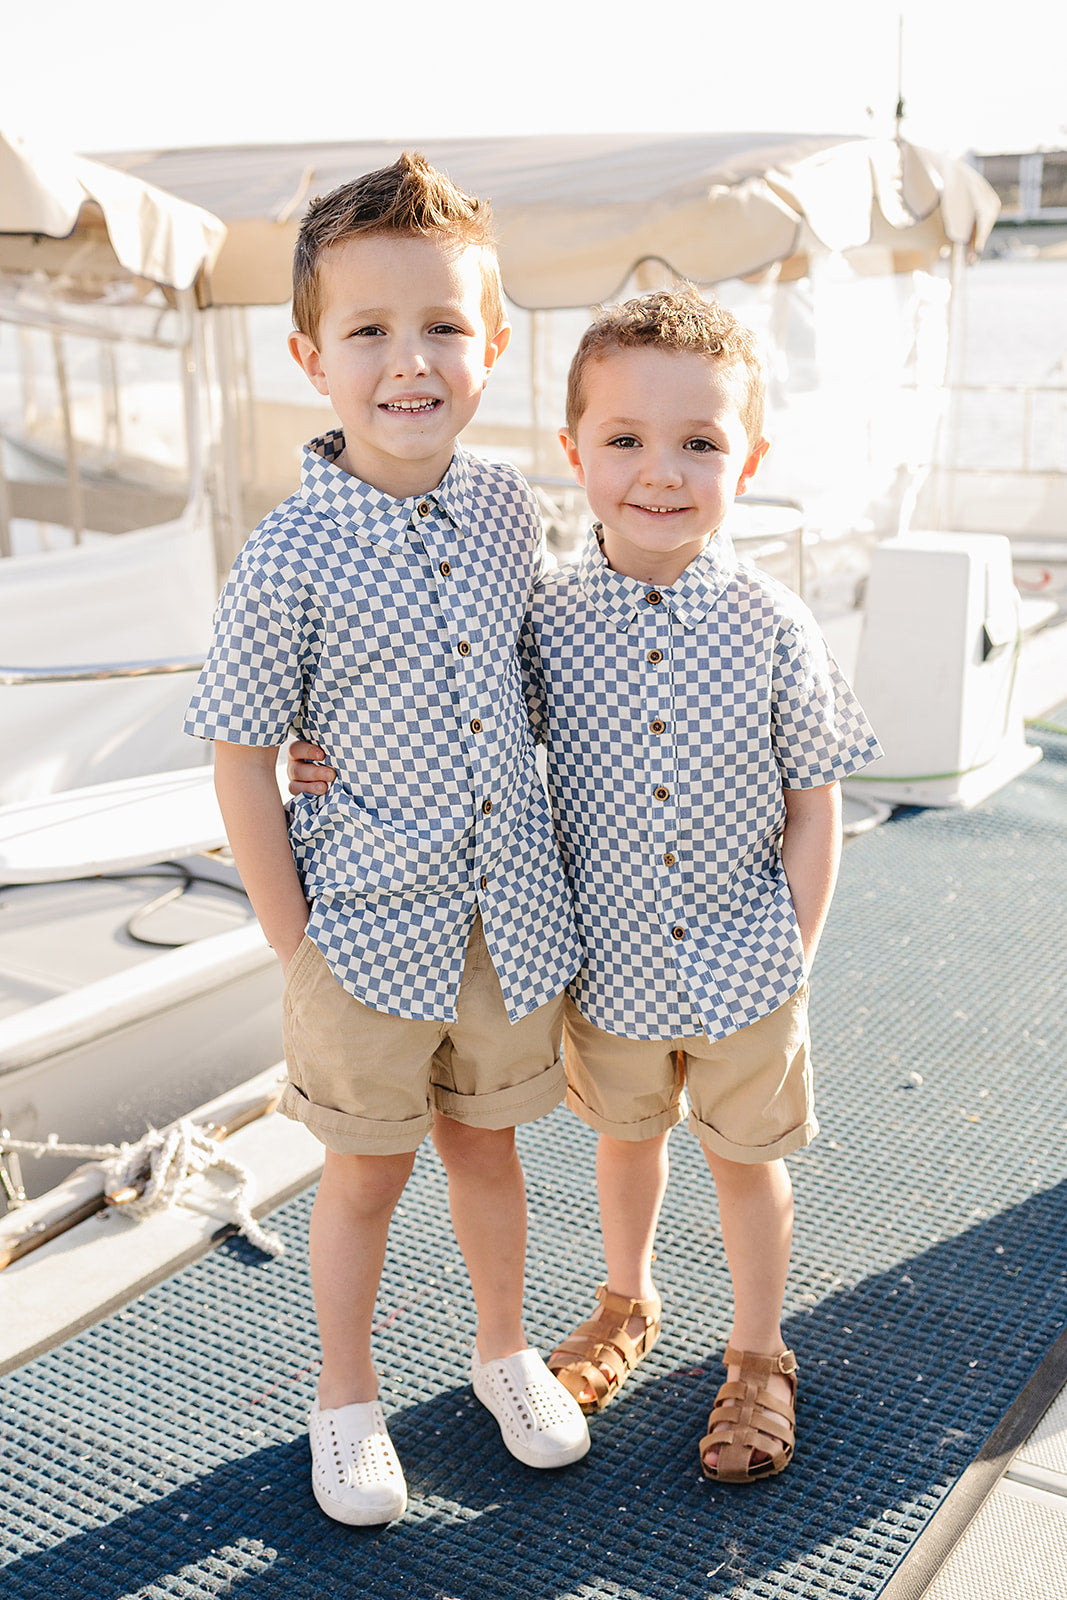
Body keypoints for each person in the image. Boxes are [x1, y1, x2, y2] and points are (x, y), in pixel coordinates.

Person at [287, 283, 881, 1485]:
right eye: (623, 441)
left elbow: (814, 801)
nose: (658, 472)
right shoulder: (546, 619)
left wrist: (796, 950)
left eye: (698, 444)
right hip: (603, 965)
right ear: (573, 453)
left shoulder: (774, 628)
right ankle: (626, 1301)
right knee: (623, 1142)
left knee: (741, 1159)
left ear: (746, 460)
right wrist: (325, 748)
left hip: (747, 958)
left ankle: (759, 1353)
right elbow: (464, 725)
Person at [184, 152, 590, 1529]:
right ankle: (343, 1398)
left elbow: (538, 686)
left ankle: (500, 1351)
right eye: (367, 331)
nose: (406, 362)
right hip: (357, 929)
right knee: (362, 1178)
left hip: (505, 918)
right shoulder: (288, 551)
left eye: (440, 329)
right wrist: (288, 934)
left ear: (491, 350)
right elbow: (241, 752)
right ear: (311, 354)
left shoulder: (502, 510)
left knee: (488, 1153)